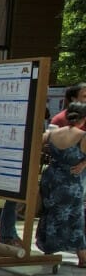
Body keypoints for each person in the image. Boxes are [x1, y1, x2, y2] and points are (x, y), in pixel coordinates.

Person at [35, 102, 86, 267]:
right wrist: (83, 164)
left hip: (51, 178)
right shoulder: (82, 136)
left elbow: (36, 146)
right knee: (75, 217)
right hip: (70, 181)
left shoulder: (51, 134)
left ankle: (48, 249)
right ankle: (83, 257)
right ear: (83, 119)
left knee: (50, 214)